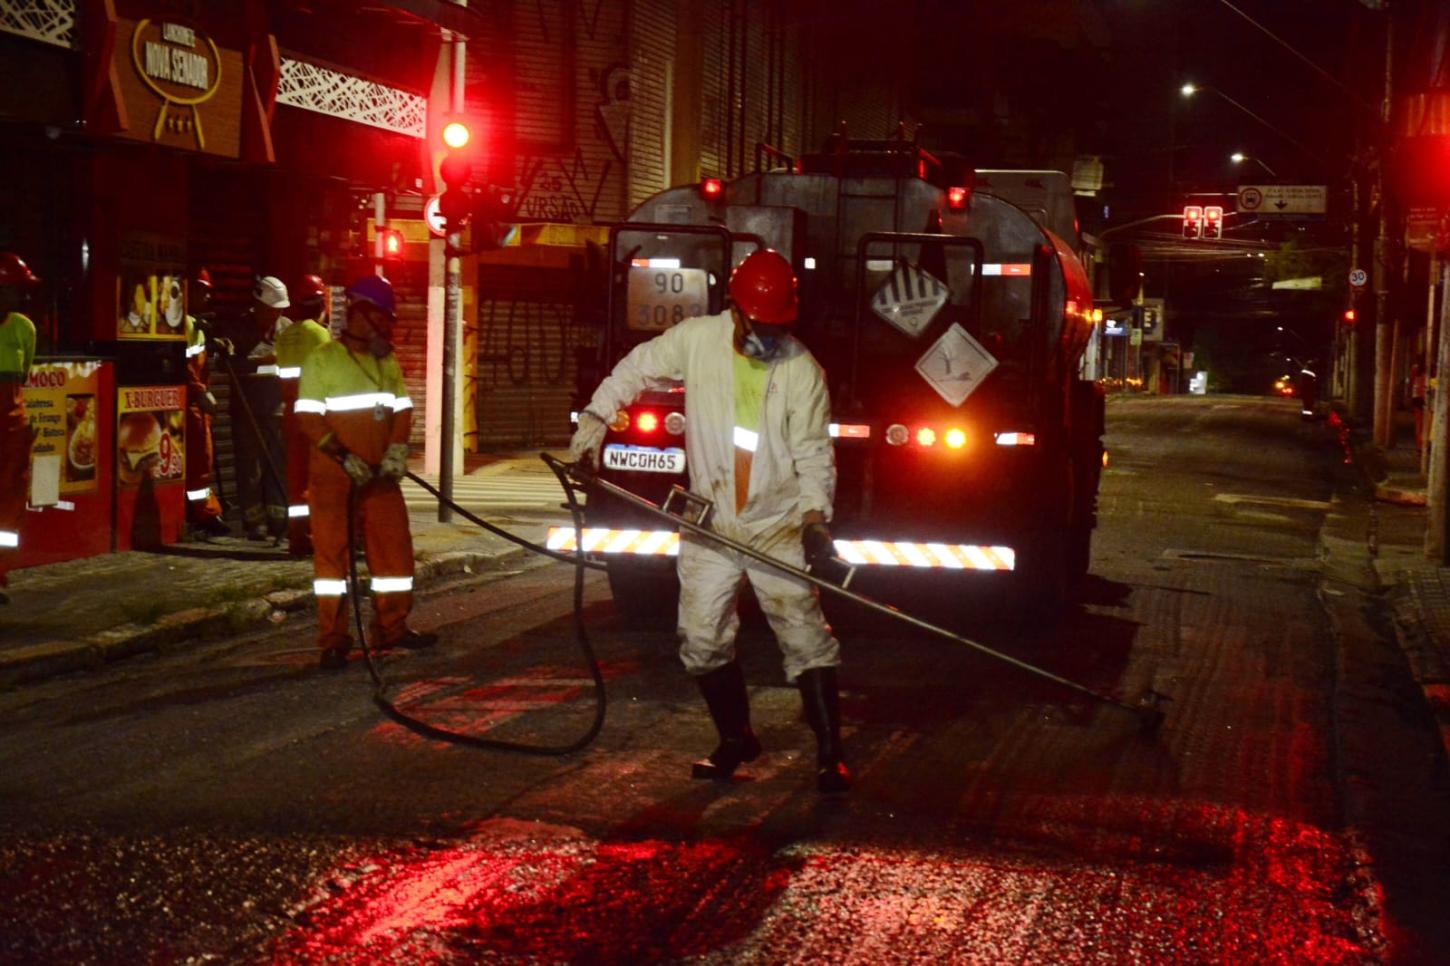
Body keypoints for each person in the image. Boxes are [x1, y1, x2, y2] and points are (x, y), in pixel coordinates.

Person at [569, 248, 850, 793]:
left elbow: (814, 453)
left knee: (805, 637)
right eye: (759, 325)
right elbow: (634, 368)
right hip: (711, 524)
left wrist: (815, 520)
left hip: (777, 523)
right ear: (736, 310)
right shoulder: (697, 341)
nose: (768, 338)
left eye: (778, 328)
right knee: (700, 640)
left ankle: (830, 754)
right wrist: (596, 421)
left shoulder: (801, 371)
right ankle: (736, 738)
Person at [295, 275, 435, 669]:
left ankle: (393, 628)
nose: (387, 328)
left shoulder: (385, 361)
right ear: (359, 314)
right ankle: (334, 640)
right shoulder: (322, 359)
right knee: (331, 561)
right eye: (382, 318)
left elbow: (402, 409)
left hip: (379, 476)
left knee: (394, 553)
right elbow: (308, 419)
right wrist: (343, 458)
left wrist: (396, 450)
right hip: (333, 478)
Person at [230, 275, 290, 541]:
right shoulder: (240, 329)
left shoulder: (287, 329)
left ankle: (280, 521)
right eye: (271, 310)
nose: (275, 315)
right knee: (250, 469)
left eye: (279, 310)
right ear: (258, 305)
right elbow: (229, 364)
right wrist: (258, 360)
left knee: (278, 467)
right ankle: (254, 523)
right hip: (248, 410)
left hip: (278, 408)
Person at [275, 275, 332, 556]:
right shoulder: (319, 335)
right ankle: (317, 536)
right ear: (321, 303)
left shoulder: (285, 336)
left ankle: (298, 538)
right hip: (316, 417)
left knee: (296, 482)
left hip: (291, 414)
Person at [0, 252, 39, 605]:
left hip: (13, 418)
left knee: (11, 495)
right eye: (13, 289)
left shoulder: (25, 328)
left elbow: (23, 376)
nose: (19, 296)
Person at [181, 269, 229, 537]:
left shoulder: (193, 323)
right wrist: (199, 391)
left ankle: (201, 510)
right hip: (192, 402)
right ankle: (205, 513)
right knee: (200, 459)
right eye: (203, 290)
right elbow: (184, 363)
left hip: (196, 401)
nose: (208, 296)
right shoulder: (186, 324)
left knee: (202, 459)